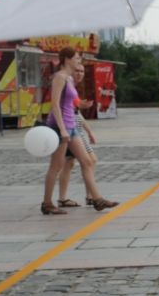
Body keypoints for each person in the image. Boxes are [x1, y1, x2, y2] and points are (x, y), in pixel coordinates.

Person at [42, 50, 116, 215]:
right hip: (60, 126)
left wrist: (79, 104)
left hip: (71, 126)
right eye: (76, 58)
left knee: (87, 161)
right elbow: (54, 105)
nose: (79, 61)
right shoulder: (59, 77)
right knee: (57, 165)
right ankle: (47, 203)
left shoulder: (69, 78)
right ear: (67, 59)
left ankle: (97, 199)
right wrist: (61, 129)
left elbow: (68, 101)